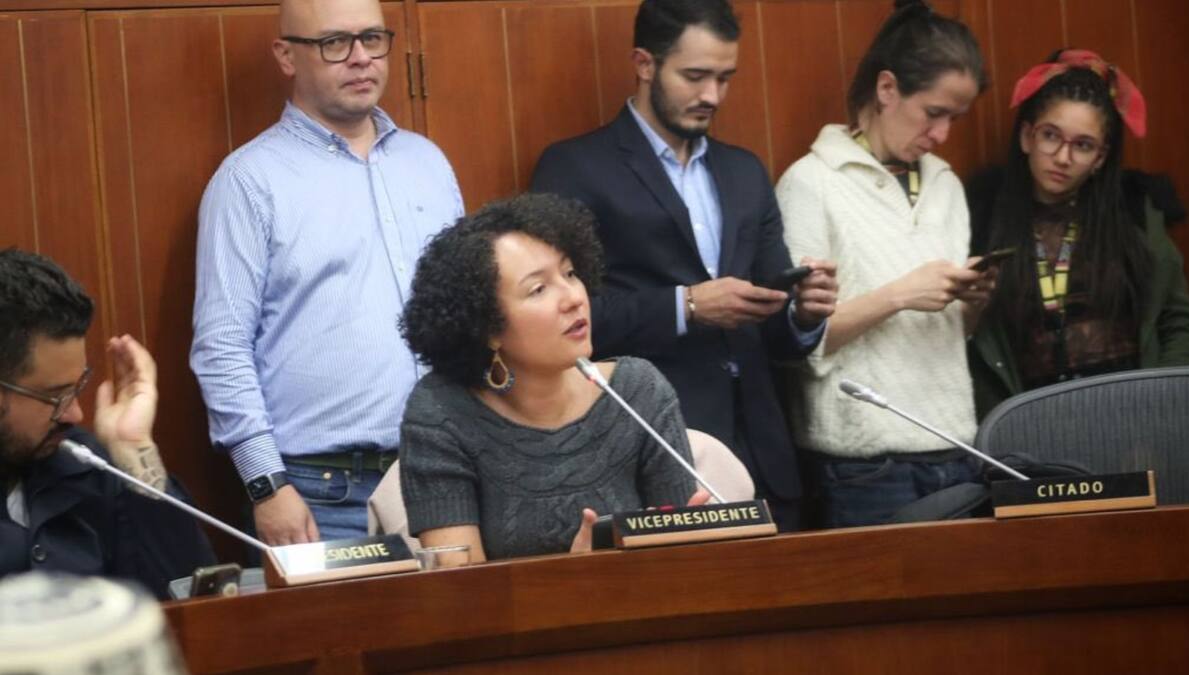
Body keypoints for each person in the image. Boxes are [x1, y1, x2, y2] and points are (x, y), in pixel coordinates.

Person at [529, 0, 838, 531]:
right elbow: (560, 322)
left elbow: (775, 331)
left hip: (764, 456)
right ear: (644, 64)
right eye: (695, 76)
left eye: (724, 78)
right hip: (652, 452)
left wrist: (804, 314)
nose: (712, 95)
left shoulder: (745, 172)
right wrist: (687, 306)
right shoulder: (575, 167)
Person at [191, 0, 463, 545]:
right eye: (335, 43)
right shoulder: (249, 181)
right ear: (286, 56)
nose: (361, 58)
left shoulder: (427, 162)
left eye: (372, 38)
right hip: (321, 493)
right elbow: (221, 348)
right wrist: (267, 486)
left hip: (446, 471)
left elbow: (470, 307)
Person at [774, 0, 989, 528]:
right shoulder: (810, 183)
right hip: (862, 464)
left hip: (955, 444)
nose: (942, 134)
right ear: (887, 88)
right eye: (933, 113)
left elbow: (954, 336)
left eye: (954, 118)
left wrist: (974, 303)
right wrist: (900, 294)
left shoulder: (946, 184)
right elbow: (803, 344)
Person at [398, 194, 705, 561]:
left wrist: (681, 550)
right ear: (487, 327)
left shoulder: (638, 392)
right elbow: (460, 588)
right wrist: (570, 581)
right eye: (538, 289)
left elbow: (688, 565)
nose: (573, 298)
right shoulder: (441, 413)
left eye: (570, 273)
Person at [966, 50, 1189, 418]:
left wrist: (1163, 404)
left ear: (1100, 158)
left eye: (1083, 145)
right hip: (1029, 423)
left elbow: (1179, 319)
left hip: (1135, 415)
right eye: (1050, 136)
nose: (1063, 157)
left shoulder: (1136, 215)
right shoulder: (982, 220)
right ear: (1027, 136)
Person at [0, 249, 215, 600]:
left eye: (76, 388)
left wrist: (133, 448)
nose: (75, 414)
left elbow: (192, 599)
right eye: (54, 397)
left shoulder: (85, 463)